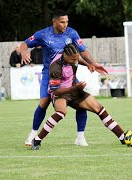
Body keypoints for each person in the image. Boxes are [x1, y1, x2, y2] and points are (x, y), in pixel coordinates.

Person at [20, 9, 107, 146]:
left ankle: (80, 137)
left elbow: (82, 51)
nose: (65, 24)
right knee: (43, 103)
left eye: (66, 22)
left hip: (68, 76)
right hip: (50, 74)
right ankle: (32, 134)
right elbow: (25, 43)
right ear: (54, 22)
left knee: (81, 101)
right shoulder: (43, 34)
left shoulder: (71, 33)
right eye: (62, 22)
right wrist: (24, 52)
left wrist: (92, 63)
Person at [31, 44, 128, 150]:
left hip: (74, 90)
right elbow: (56, 90)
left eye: (77, 58)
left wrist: (89, 64)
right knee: (61, 113)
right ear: (65, 55)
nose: (75, 61)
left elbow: (78, 59)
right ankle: (37, 140)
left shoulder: (73, 57)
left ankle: (122, 137)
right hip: (60, 93)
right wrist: (75, 88)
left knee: (99, 109)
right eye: (73, 59)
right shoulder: (55, 66)